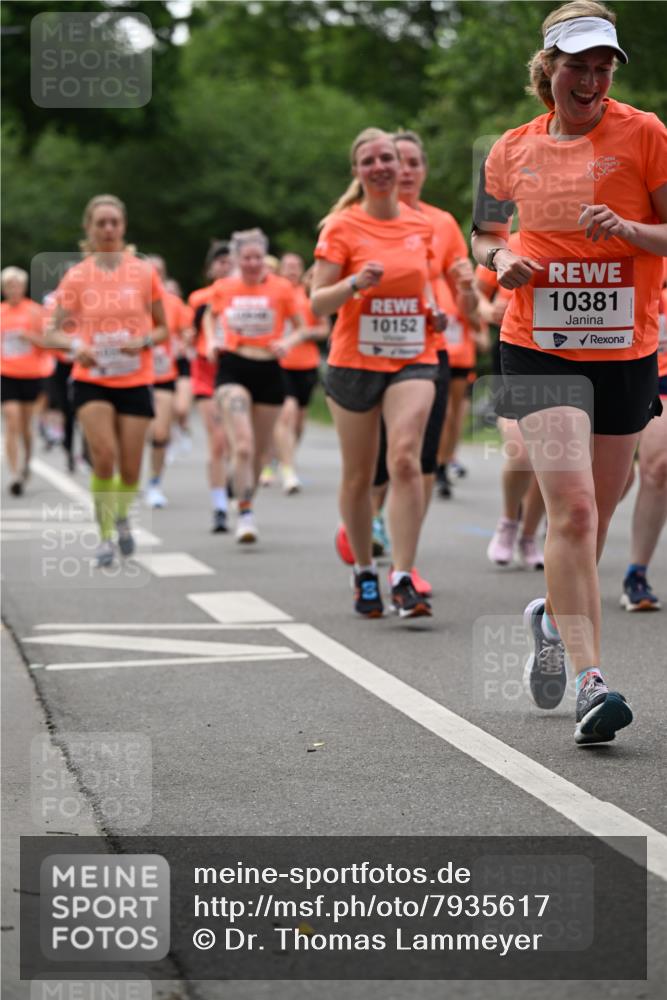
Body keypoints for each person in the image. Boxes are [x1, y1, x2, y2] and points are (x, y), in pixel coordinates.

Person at [472, 1, 667, 745]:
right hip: (538, 344)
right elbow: (483, 234)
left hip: (624, 348)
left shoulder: (645, 134)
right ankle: (592, 683)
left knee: (599, 514)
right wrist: (501, 258)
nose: (589, 80)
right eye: (576, 66)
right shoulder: (509, 149)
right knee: (575, 513)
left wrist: (630, 230)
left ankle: (550, 620)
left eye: (602, 67)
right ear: (546, 68)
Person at [311, 127, 447, 619]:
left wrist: (433, 312)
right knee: (359, 476)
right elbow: (317, 302)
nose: (381, 166)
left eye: (387, 157)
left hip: (413, 355)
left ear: (399, 163)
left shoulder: (421, 225)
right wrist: (353, 283)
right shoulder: (341, 226)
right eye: (369, 160)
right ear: (357, 171)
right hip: (354, 362)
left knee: (405, 458)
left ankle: (404, 576)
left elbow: (422, 284)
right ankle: (365, 571)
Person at [368, 129, 481, 596]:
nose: (407, 171)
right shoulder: (361, 219)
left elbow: (468, 305)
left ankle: (404, 561)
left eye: (415, 162)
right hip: (372, 354)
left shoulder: (443, 223)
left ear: (424, 170)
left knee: (418, 456)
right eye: (400, 161)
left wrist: (468, 289)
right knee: (382, 455)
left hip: (428, 351)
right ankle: (367, 521)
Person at [44, 194, 167, 567]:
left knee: (130, 467)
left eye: (114, 222)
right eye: (101, 223)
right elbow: (51, 332)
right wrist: (75, 346)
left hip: (134, 377)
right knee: (104, 456)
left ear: (124, 226)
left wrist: (142, 341)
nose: (109, 229)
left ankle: (123, 515)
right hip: (92, 378)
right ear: (89, 228)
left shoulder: (143, 272)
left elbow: (163, 328)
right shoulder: (77, 276)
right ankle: (104, 536)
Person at [204, 228, 302, 543]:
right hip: (234, 366)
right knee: (243, 445)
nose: (252, 263)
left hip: (269, 370)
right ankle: (245, 514)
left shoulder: (282, 288)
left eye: (257, 257)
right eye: (246, 258)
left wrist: (287, 342)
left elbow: (301, 327)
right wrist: (211, 340)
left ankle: (246, 498)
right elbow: (209, 317)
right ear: (236, 259)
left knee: (259, 454)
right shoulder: (224, 288)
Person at [476, 233, 546, 568]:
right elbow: (476, 295)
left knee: (554, 459)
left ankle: (529, 535)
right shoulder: (507, 245)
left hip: (565, 356)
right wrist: (488, 310)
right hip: (515, 352)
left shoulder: (583, 242)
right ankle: (508, 521)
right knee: (521, 454)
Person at [621, 260, 667, 610]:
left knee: (658, 468)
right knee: (619, 477)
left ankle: (636, 573)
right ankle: (570, 533)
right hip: (632, 360)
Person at [274, 253, 329, 494]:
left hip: (306, 363)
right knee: (286, 413)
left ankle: (284, 457)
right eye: (287, 266)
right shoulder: (274, 293)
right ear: (280, 269)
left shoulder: (310, 294)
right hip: (280, 363)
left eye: (296, 266)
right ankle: (288, 470)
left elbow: (325, 330)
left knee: (298, 421)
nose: (292, 270)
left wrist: (305, 333)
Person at [188, 241, 233, 533]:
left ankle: (234, 481)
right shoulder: (199, 299)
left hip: (237, 371)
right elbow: (190, 332)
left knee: (238, 442)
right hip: (206, 373)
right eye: (220, 261)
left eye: (230, 261)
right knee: (217, 440)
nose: (225, 266)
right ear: (210, 268)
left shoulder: (245, 295)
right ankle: (219, 507)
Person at [1, 267, 47, 495]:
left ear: (24, 287)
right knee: (12, 420)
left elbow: (48, 342)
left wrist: (30, 337)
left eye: (17, 285)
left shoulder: (35, 312)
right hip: (6, 373)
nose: (13, 290)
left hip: (31, 374)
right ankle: (14, 474)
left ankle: (26, 463)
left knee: (26, 426)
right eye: (9, 286)